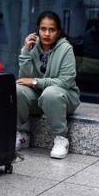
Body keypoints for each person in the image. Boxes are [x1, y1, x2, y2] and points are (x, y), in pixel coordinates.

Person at [16, 11, 80, 159]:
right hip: (40, 96)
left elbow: (66, 81)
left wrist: (36, 82)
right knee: (17, 89)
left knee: (50, 93)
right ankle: (23, 135)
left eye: (51, 30)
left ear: (58, 32)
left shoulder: (66, 49)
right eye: (43, 29)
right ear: (37, 30)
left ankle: (61, 139)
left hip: (64, 97)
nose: (46, 33)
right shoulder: (33, 47)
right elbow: (25, 78)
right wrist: (25, 51)